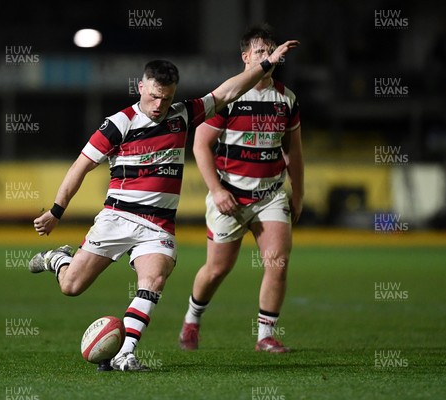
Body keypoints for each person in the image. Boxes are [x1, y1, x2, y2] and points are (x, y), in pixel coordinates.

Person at [29, 39, 299, 371]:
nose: (159, 104)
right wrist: (56, 211)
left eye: (166, 97)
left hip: (157, 227)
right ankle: (59, 259)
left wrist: (266, 64)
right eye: (154, 95)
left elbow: (228, 92)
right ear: (141, 86)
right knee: (72, 287)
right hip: (117, 217)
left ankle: (125, 353)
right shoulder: (119, 124)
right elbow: (80, 167)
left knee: (153, 280)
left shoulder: (182, 115)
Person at [179, 27, 303, 353]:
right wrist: (217, 191)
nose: (269, 57)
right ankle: (192, 319)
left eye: (272, 51)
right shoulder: (230, 96)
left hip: (271, 194)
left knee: (277, 261)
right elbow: (201, 146)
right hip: (230, 196)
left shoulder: (286, 98)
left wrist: (299, 194)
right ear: (246, 57)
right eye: (261, 52)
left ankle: (265, 336)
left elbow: (294, 152)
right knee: (218, 269)